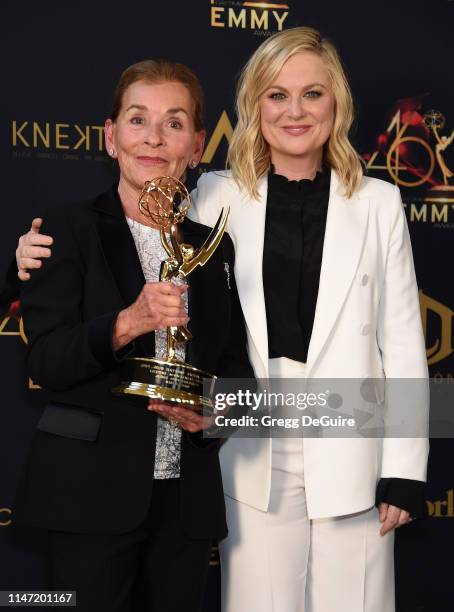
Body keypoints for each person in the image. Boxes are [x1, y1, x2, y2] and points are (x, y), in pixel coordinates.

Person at [15, 28, 429, 612]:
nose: (294, 111)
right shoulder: (210, 195)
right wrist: (21, 259)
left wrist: (406, 469)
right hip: (248, 442)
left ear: (337, 105)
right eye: (277, 95)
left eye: (313, 93)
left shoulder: (381, 203)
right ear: (254, 105)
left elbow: (406, 344)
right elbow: (113, 233)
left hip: (350, 439)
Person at [12, 59, 253, 612]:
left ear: (196, 145)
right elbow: (45, 362)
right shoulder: (64, 228)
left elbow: (237, 367)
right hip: (87, 500)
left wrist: (215, 417)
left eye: (173, 123)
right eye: (137, 119)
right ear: (111, 136)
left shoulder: (212, 245)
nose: (153, 137)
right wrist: (128, 322)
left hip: (184, 506)